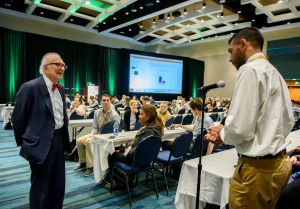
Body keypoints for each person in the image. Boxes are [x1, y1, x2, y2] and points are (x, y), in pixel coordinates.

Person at [204, 27, 294, 209]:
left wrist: (223, 134)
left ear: (243, 45)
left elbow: (240, 128)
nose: (229, 58)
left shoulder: (249, 70)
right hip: (280, 165)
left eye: (231, 51)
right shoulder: (276, 73)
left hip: (257, 171)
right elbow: (288, 120)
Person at [11, 52, 71, 209]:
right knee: (40, 187)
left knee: (58, 184)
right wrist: (27, 142)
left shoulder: (61, 89)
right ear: (45, 68)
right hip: (40, 143)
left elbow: (61, 116)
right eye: (57, 64)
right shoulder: (30, 87)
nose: (61, 67)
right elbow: (18, 119)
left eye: (63, 65)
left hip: (59, 140)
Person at [104, 104, 164, 189]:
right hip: (147, 161)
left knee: (112, 155)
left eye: (141, 114)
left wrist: (123, 152)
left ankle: (119, 181)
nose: (139, 116)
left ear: (149, 116)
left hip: (136, 160)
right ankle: (127, 179)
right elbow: (135, 146)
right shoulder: (156, 129)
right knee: (119, 151)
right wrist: (122, 150)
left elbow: (134, 149)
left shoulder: (147, 131)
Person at [74, 94, 121, 176]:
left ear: (110, 102)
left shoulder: (115, 115)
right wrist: (92, 135)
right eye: (104, 100)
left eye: (107, 100)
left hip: (106, 137)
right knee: (79, 140)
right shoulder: (97, 112)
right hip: (97, 133)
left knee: (88, 142)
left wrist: (107, 138)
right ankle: (83, 163)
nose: (106, 102)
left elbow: (117, 130)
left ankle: (91, 167)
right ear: (101, 102)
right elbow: (95, 127)